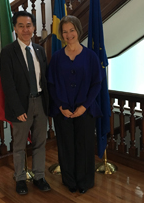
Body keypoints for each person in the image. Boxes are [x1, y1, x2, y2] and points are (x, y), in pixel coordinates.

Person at [47, 15, 103, 194]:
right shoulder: (56, 58)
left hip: (85, 110)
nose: (69, 34)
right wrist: (61, 106)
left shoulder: (91, 56)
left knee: (84, 146)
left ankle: (84, 182)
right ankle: (70, 180)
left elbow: (97, 84)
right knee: (66, 146)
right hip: (62, 110)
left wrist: (84, 106)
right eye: (65, 31)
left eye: (72, 30)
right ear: (61, 34)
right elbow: (51, 84)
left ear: (78, 30)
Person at [0, 11, 51, 195]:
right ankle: (20, 178)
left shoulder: (39, 50)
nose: (25, 29)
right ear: (15, 28)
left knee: (40, 143)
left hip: (40, 103)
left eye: (28, 25)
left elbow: (44, 79)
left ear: (34, 27)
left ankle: (39, 176)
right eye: (21, 25)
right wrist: (18, 108)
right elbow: (8, 85)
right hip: (21, 106)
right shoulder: (7, 52)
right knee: (20, 146)